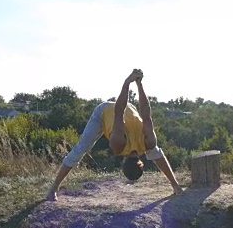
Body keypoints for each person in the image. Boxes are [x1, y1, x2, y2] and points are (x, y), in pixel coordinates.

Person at [45, 69, 184, 201]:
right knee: (81, 148)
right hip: (104, 112)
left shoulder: (149, 143)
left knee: (154, 151)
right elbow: (118, 112)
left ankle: (176, 186)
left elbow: (146, 114)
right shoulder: (119, 146)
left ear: (142, 164)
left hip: (129, 108)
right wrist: (127, 82)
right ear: (123, 163)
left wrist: (137, 83)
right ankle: (53, 189)